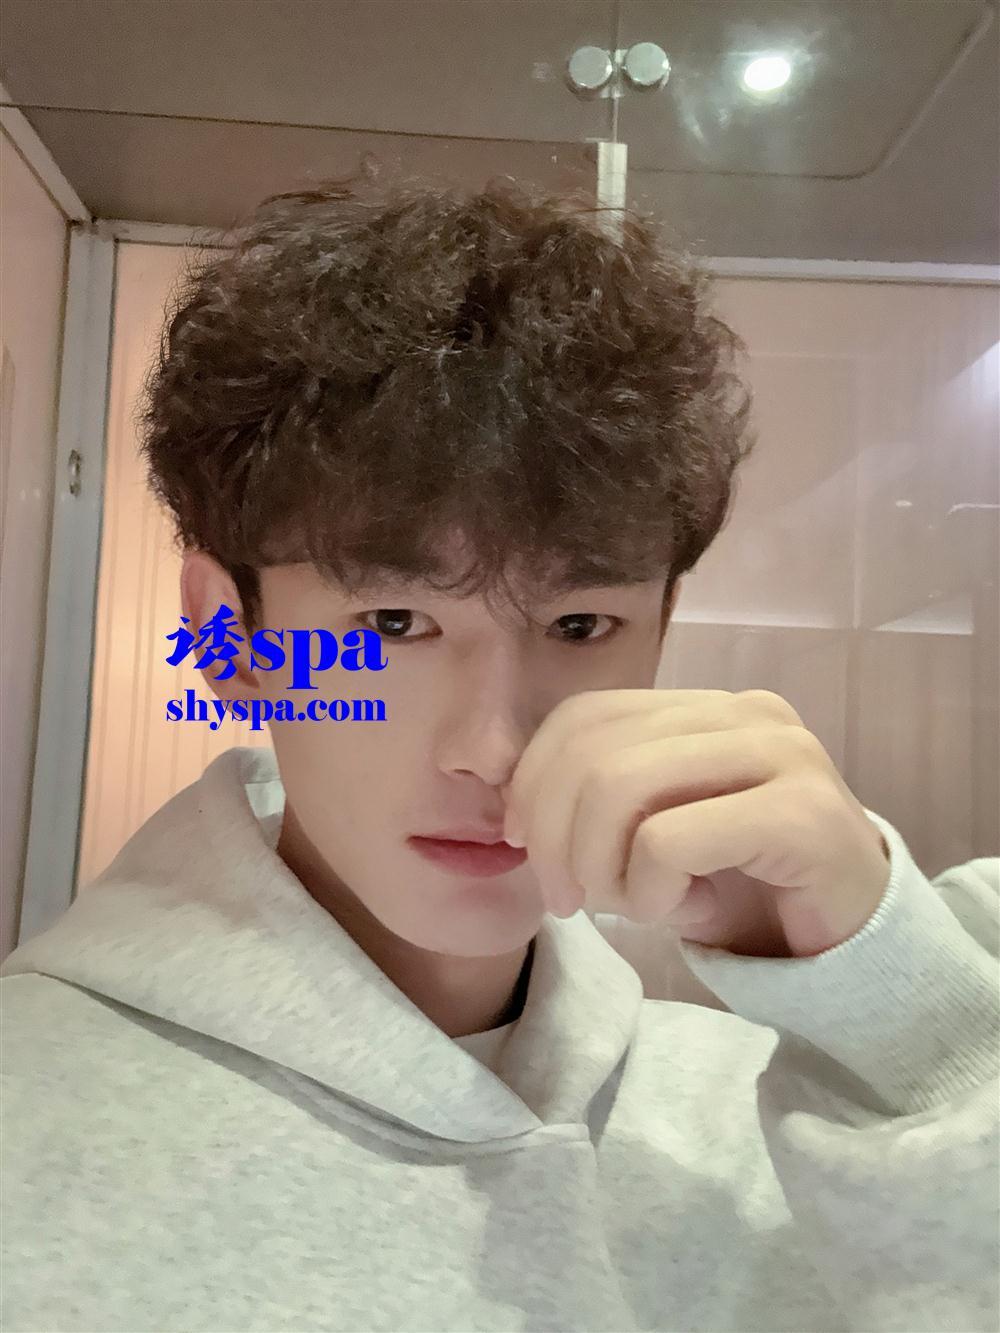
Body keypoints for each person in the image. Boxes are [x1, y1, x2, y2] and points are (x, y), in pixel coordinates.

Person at [2, 176, 997, 1333]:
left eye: (578, 625)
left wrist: (906, 1026)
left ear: (661, 630)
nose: (494, 747)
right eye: (393, 623)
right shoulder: (31, 1114)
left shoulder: (794, 1131)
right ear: (227, 639)